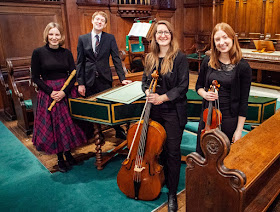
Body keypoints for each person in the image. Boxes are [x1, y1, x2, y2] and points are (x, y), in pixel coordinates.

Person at [142, 20, 189, 212]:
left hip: (173, 111)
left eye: (166, 32)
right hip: (153, 110)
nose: (162, 35)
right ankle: (158, 179)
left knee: (172, 152)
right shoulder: (149, 58)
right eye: (159, 32)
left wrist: (162, 97)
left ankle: (171, 194)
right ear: (154, 37)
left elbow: (182, 86)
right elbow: (145, 82)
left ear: (171, 34)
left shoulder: (179, 58)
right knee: (155, 150)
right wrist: (147, 92)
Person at [31, 22, 87, 173]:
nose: (54, 37)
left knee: (68, 126)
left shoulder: (66, 53)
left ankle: (68, 153)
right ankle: (60, 158)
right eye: (51, 34)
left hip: (65, 92)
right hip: (49, 94)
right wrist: (51, 92)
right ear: (47, 36)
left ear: (61, 36)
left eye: (57, 34)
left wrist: (64, 92)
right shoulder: (38, 52)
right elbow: (35, 77)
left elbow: (73, 74)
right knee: (55, 126)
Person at [196, 22, 252, 156]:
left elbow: (244, 102)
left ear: (232, 38)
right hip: (208, 117)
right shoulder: (208, 62)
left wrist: (239, 130)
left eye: (225, 37)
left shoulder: (243, 67)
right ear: (214, 42)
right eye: (217, 39)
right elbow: (198, 86)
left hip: (229, 119)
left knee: (223, 159)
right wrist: (205, 94)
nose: (222, 42)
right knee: (203, 155)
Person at [76, 11, 131, 140]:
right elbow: (80, 62)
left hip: (104, 78)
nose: (99, 22)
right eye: (97, 19)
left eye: (102, 21)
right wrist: (81, 83)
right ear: (92, 20)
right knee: (93, 108)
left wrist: (123, 78)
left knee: (109, 105)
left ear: (105, 24)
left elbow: (116, 59)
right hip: (88, 79)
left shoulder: (109, 38)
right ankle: (97, 132)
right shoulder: (82, 39)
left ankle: (118, 129)